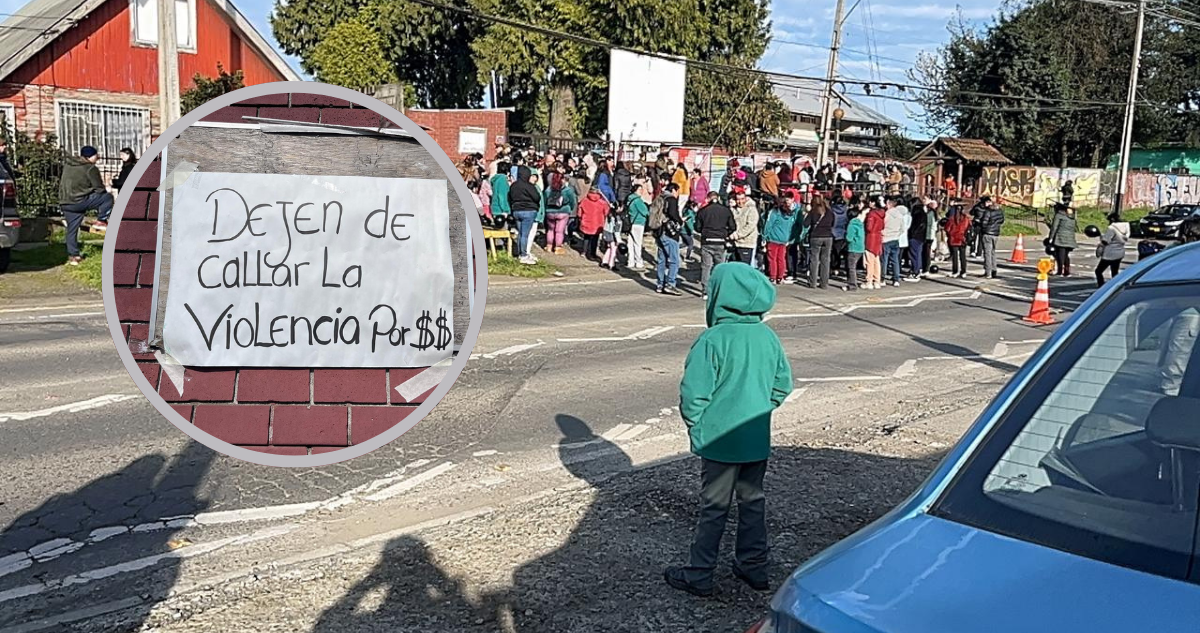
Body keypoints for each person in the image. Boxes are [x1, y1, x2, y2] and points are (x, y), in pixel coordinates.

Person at [664, 262, 794, 598]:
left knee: (714, 508)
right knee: (753, 502)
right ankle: (754, 566)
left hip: (721, 439)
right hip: (755, 436)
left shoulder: (712, 339)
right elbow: (783, 385)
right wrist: (761, 409)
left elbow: (694, 394)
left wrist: (699, 424)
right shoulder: (767, 336)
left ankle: (699, 573)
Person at [59, 145, 114, 264]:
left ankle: (73, 256)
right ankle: (102, 220)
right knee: (107, 198)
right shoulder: (90, 168)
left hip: (66, 202)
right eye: (96, 155)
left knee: (72, 229)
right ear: (90, 156)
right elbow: (99, 189)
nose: (98, 157)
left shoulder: (68, 165)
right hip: (79, 201)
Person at [695, 191, 737, 298]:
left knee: (706, 267)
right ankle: (719, 289)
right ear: (718, 198)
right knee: (720, 267)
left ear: (708, 199)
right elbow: (733, 227)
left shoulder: (703, 211)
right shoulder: (726, 211)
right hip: (720, 241)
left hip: (707, 241)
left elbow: (697, 228)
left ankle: (705, 290)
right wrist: (725, 233)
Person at [655, 183, 685, 296]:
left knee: (661, 259)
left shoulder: (660, 197)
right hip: (669, 232)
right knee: (674, 260)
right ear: (673, 190)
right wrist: (680, 221)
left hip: (658, 231)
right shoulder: (671, 199)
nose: (678, 194)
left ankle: (660, 284)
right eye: (677, 191)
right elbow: (673, 214)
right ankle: (670, 284)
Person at [508, 165, 542, 265]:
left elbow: (510, 197)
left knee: (520, 233)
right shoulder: (529, 186)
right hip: (529, 211)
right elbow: (537, 197)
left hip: (516, 211)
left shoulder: (514, 186)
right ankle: (524, 255)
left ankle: (520, 253)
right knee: (525, 234)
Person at [763, 196, 798, 284]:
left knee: (772, 258)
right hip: (784, 239)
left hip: (773, 238)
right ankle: (780, 277)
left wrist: (764, 236)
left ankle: (773, 277)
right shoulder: (790, 214)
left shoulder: (774, 213)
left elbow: (768, 225)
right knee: (781, 258)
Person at [542, 172, 577, 255]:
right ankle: (558, 247)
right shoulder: (567, 190)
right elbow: (573, 201)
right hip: (563, 212)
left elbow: (544, 200)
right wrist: (570, 209)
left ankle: (549, 246)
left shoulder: (548, 189)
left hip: (550, 212)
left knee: (550, 230)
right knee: (559, 231)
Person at [806, 195, 835, 290]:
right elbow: (833, 223)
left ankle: (812, 282)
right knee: (825, 260)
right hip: (828, 236)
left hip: (816, 236)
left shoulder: (813, 211)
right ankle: (824, 283)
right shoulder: (829, 212)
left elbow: (805, 224)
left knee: (814, 259)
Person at [577, 180, 610, 261]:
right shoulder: (602, 202)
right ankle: (592, 253)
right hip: (597, 223)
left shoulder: (584, 200)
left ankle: (584, 252)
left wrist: (580, 217)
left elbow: (579, 212)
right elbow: (606, 212)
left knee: (586, 238)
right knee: (595, 239)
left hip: (586, 222)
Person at [1095, 213, 1130, 287]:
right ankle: (1115, 286)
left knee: (1098, 271)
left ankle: (1101, 285)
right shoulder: (1126, 226)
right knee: (1114, 271)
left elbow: (1105, 241)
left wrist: (1100, 244)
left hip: (1110, 253)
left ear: (1112, 219)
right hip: (1120, 251)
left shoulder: (1111, 228)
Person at [730, 187, 760, 267]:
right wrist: (731, 207)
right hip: (735, 243)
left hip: (746, 243)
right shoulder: (734, 209)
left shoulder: (751, 209)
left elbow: (750, 226)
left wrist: (737, 235)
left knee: (744, 267)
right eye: (738, 199)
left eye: (742, 199)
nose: (740, 202)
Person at [882, 196, 908, 287]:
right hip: (895, 238)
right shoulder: (900, 215)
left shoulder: (886, 214)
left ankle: (882, 278)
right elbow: (903, 228)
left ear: (888, 203)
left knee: (884, 259)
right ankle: (896, 279)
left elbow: (882, 226)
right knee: (895, 260)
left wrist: (883, 233)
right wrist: (897, 234)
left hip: (886, 238)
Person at [976, 196, 1004, 278]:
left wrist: (983, 228)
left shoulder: (988, 211)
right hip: (995, 233)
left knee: (987, 253)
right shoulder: (999, 212)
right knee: (993, 252)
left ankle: (988, 272)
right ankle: (994, 270)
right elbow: (1001, 221)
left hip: (987, 233)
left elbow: (984, 222)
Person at [1047, 202, 1077, 277]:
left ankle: (1060, 271)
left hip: (1060, 237)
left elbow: (1054, 227)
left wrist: (1050, 238)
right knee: (1066, 255)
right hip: (1070, 238)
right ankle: (1067, 271)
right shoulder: (1072, 217)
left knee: (1060, 255)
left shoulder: (1059, 216)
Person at [944, 204, 972, 279]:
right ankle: (963, 271)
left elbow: (947, 228)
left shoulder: (952, 219)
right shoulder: (966, 219)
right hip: (963, 239)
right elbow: (969, 227)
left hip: (954, 239)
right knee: (963, 256)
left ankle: (955, 271)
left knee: (955, 256)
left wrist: (950, 234)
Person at [626, 184, 650, 270]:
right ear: (635, 190)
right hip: (638, 223)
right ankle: (638, 262)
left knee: (630, 243)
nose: (642, 191)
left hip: (630, 222)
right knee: (638, 243)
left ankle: (630, 261)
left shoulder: (629, 199)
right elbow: (645, 212)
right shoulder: (638, 200)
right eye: (640, 189)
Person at [863, 197, 885, 289]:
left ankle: (869, 281)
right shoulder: (882, 213)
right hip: (878, 237)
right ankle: (877, 281)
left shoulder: (871, 214)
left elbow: (869, 227)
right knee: (876, 261)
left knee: (869, 261)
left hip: (871, 237)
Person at [906, 195, 928, 282]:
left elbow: (917, 226)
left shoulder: (917, 212)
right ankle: (916, 270)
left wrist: (911, 233)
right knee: (917, 254)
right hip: (921, 236)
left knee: (914, 254)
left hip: (915, 236)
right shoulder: (922, 212)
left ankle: (915, 272)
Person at [844, 205, 865, 292]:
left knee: (851, 267)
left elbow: (849, 238)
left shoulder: (851, 225)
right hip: (860, 248)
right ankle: (851, 283)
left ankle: (852, 285)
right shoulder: (860, 224)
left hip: (853, 247)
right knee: (853, 267)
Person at [600, 198, 624, 271]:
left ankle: (604, 261)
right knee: (614, 249)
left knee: (609, 248)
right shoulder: (617, 219)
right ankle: (612, 264)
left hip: (606, 233)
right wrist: (619, 240)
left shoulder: (609, 215)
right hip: (612, 235)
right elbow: (616, 231)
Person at [830, 193, 849, 275]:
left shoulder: (832, 210)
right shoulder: (846, 210)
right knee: (840, 251)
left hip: (833, 232)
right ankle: (840, 267)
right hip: (843, 232)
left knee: (833, 252)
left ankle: (834, 268)